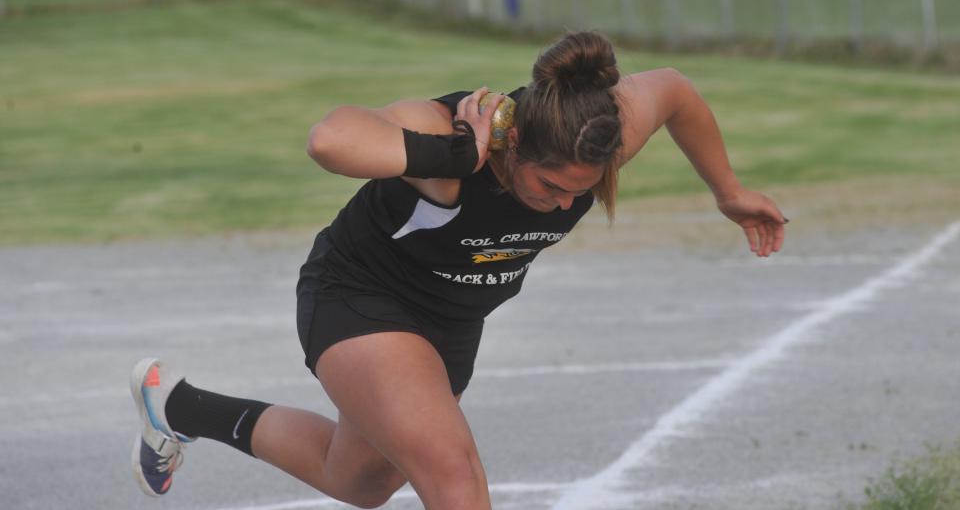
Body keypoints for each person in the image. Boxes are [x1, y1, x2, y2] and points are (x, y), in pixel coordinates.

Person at [129, 31, 786, 509]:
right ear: (516, 141)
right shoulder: (445, 132)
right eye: (550, 185)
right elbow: (329, 138)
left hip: (449, 324)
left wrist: (727, 190)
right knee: (454, 474)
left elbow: (674, 90)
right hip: (360, 297)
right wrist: (456, 151)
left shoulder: (595, 133)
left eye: (577, 192)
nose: (564, 201)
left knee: (359, 480)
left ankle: (179, 406)